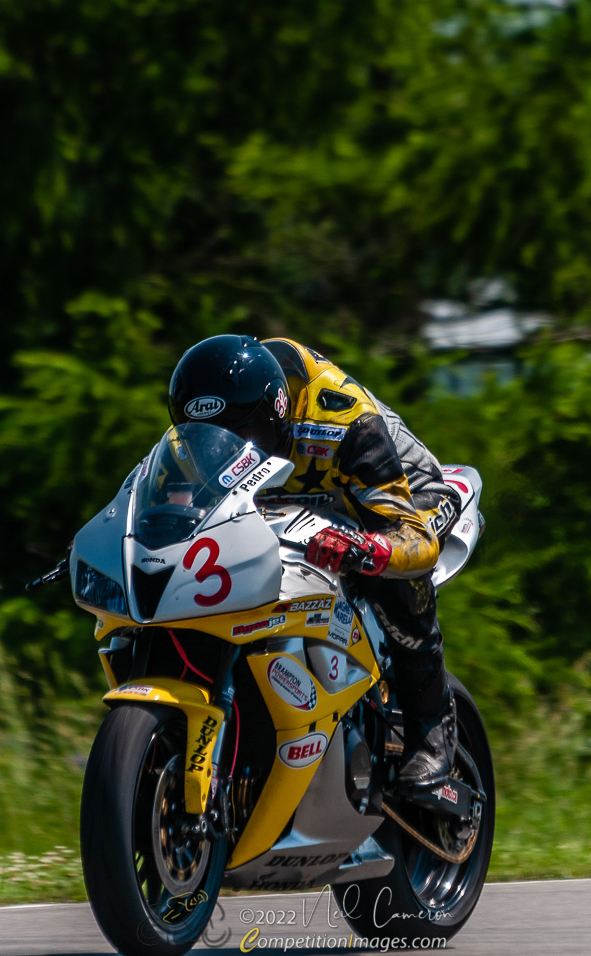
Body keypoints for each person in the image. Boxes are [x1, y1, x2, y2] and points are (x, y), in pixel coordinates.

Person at [167, 332, 469, 792]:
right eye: (215, 437)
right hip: (299, 505)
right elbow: (174, 502)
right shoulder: (208, 423)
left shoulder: (344, 420)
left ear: (277, 410)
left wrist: (370, 549)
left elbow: (413, 538)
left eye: (241, 433)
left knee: (391, 576)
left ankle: (433, 728)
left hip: (402, 497)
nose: (228, 448)